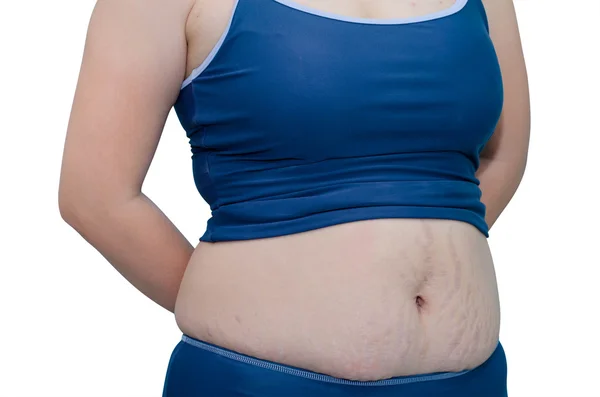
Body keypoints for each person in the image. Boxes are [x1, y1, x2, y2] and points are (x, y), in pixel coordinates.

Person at [58, 0, 530, 395]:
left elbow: (503, 155)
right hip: (259, 380)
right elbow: (95, 196)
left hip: (471, 379)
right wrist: (240, 303)